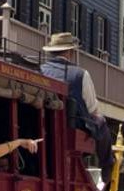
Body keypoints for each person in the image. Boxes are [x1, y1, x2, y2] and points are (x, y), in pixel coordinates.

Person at [41, 31, 113, 182]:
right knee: (102, 122)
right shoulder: (80, 74)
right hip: (73, 127)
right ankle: (107, 166)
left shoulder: (40, 70)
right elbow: (93, 108)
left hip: (43, 124)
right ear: (70, 52)